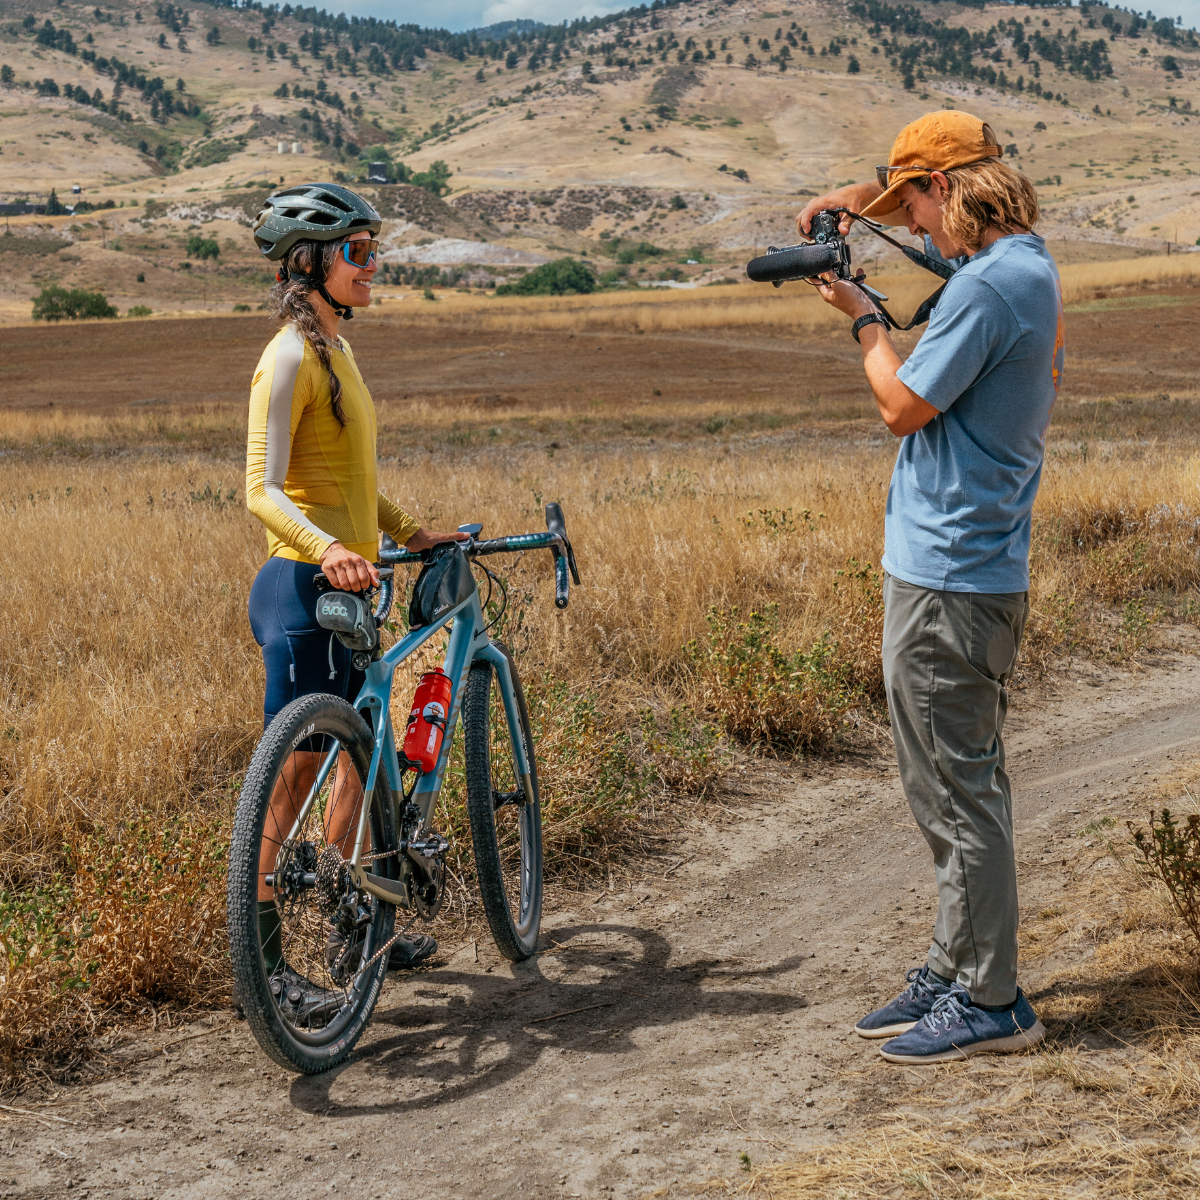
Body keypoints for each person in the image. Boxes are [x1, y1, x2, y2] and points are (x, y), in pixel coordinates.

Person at [795, 111, 1063, 1063]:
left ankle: (993, 999)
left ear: (946, 188)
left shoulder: (996, 285)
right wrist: (848, 206)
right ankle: (956, 963)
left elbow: (902, 406)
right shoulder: (1014, 267)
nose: (912, 228)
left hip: (953, 574)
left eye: (913, 203)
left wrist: (864, 320)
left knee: (958, 787)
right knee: (941, 781)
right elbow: (954, 274)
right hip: (954, 566)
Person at [245, 182, 466, 975]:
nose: (374, 266)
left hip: (349, 583)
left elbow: (352, 478)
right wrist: (329, 548)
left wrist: (410, 532)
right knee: (288, 787)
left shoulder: (338, 349)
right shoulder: (290, 355)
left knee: (360, 757)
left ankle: (360, 929)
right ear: (310, 263)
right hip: (304, 590)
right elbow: (260, 488)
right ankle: (267, 972)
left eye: (375, 250)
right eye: (359, 252)